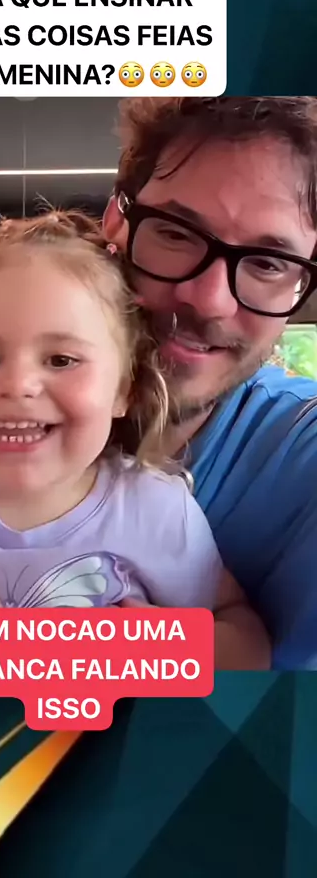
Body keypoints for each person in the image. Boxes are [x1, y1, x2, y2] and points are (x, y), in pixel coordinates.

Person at [0, 211, 268, 670]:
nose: (18, 384)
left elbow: (245, 644)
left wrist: (143, 650)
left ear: (123, 388)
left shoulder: (155, 509)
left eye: (61, 360)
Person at [103, 95, 317, 670]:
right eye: (176, 233)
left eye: (267, 262)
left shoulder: (301, 454)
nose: (209, 300)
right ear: (117, 220)